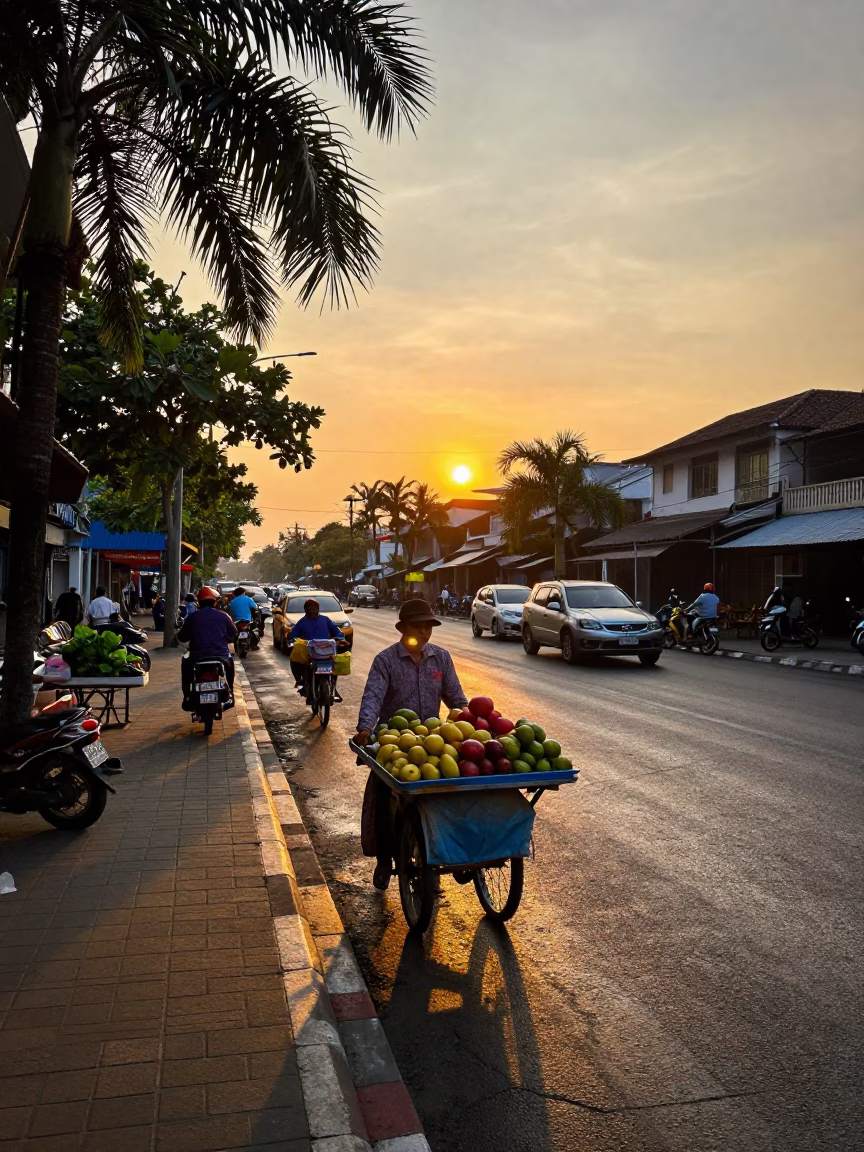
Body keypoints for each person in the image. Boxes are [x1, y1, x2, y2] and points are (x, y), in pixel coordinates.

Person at [356, 598, 468, 890]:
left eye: (427, 626)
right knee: (383, 798)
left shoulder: (440, 658)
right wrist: (365, 728)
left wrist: (472, 722)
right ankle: (384, 858)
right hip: (395, 743)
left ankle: (460, 851)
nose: (423, 631)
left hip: (432, 743)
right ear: (403, 628)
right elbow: (373, 696)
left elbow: (456, 698)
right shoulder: (386, 660)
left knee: (456, 790)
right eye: (417, 626)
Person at [177, 586, 237, 704]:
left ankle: (187, 696)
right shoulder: (224, 616)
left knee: (185, 666)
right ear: (214, 602)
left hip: (197, 656)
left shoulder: (193, 617)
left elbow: (182, 637)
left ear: (199, 602)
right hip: (221, 655)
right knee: (230, 666)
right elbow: (234, 633)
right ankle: (230, 693)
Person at [288, 598, 345, 699]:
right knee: (294, 658)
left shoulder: (325, 619)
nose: (312, 611)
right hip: (310, 651)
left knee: (335, 664)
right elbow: (293, 634)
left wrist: (340, 638)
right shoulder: (302, 621)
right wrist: (290, 637)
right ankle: (300, 680)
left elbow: (337, 631)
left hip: (326, 650)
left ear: (317, 609)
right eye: (310, 609)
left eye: (314, 608)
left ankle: (333, 687)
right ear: (306, 610)